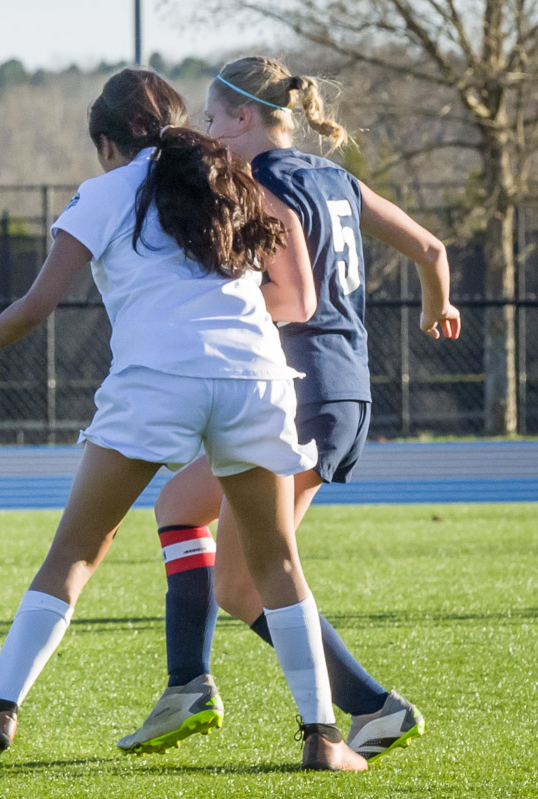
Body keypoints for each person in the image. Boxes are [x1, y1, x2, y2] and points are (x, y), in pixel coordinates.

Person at [0, 68, 366, 771]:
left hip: (160, 378)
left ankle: (2, 709)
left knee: (75, 549)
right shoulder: (227, 179)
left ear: (106, 141)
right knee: (276, 558)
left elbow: (39, 306)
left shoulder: (101, 194)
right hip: (256, 375)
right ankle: (324, 735)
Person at [118, 56, 461, 764]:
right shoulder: (335, 176)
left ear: (243, 117)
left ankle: (358, 705)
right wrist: (439, 305)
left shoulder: (254, 181)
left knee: (245, 570)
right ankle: (338, 702)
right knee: (206, 534)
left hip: (296, 386)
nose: (208, 136)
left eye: (212, 121)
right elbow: (430, 247)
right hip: (346, 387)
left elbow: (288, 299)